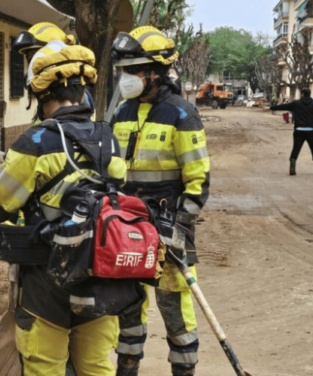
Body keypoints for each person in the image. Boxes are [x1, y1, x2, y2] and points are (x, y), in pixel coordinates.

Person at [0, 41, 128, 375]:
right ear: (82, 91)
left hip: (47, 282)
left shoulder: (35, 143)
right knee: (96, 368)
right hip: (101, 278)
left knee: (44, 367)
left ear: (40, 95)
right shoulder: (110, 140)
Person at [110, 26, 211, 376]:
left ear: (156, 72)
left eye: (134, 69)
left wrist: (181, 223)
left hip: (169, 229)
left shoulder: (182, 115)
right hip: (127, 229)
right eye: (124, 70)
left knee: (173, 304)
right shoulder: (121, 114)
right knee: (127, 303)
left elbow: (198, 182)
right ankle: (127, 367)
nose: (127, 78)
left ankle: (183, 369)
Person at [0, 22, 79, 314]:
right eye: (27, 57)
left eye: (33, 55)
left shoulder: (72, 108)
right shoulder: (42, 113)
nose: (29, 64)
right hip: (24, 192)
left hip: (56, 211)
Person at [270, 87, 313, 175]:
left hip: (298, 130)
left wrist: (273, 107)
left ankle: (292, 169)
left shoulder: (296, 103)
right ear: (309, 94)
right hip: (311, 130)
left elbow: (284, 106)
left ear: (302, 94)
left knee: (296, 149)